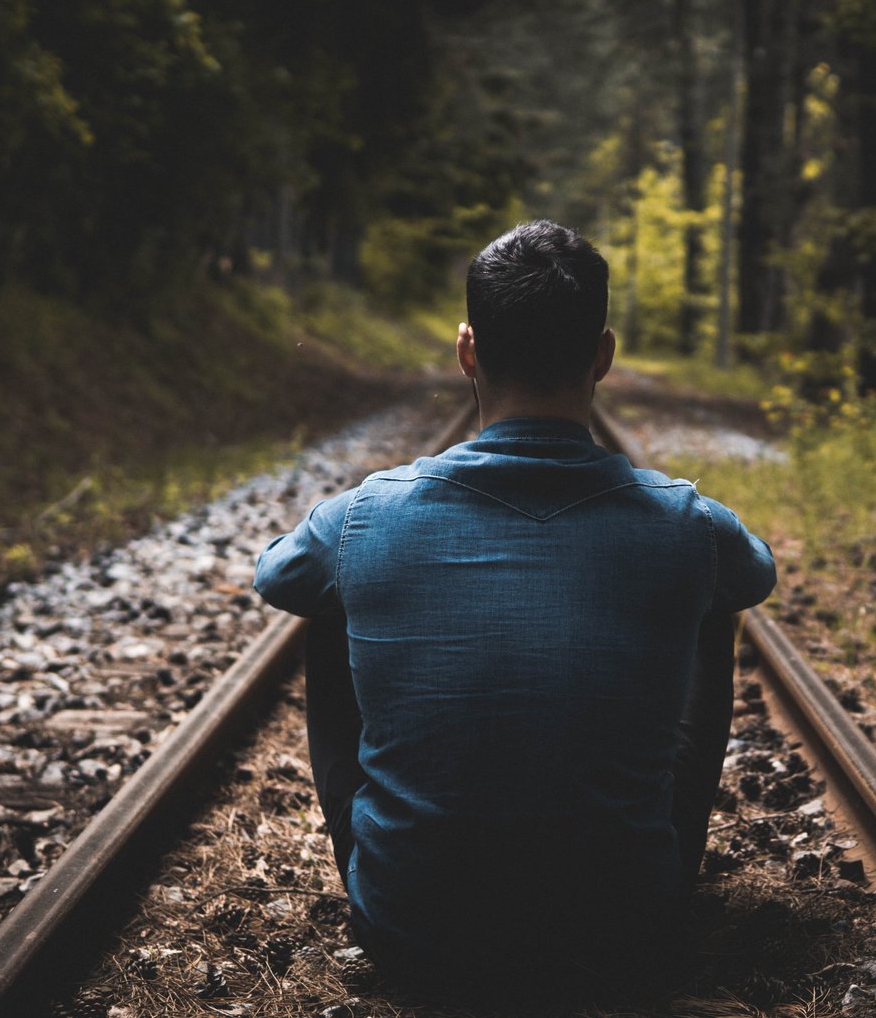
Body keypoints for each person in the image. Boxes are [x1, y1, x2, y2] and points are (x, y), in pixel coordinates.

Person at [254, 220, 776, 999]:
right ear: (602, 355)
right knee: (710, 604)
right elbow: (754, 570)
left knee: (326, 596)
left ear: (467, 350)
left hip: (410, 932)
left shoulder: (362, 514)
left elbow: (275, 574)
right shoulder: (687, 522)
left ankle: (378, 854)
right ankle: (658, 854)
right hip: (624, 931)